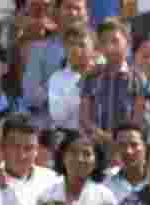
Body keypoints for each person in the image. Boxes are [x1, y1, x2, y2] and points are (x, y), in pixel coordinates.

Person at [79, 17, 145, 160]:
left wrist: (118, 138)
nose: (109, 47)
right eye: (104, 42)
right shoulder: (91, 77)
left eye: (115, 41)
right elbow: (84, 117)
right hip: (96, 145)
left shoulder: (137, 78)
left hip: (126, 148)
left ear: (127, 43)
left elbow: (138, 118)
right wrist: (100, 134)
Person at [22, 0, 90, 128]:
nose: (73, 13)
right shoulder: (39, 50)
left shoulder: (98, 54)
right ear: (56, 12)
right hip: (50, 129)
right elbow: (31, 97)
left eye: (78, 8)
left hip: (86, 130)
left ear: (87, 14)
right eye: (68, 8)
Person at [0, 114, 60, 205]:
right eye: (15, 147)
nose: (22, 155)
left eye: (29, 148)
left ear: (37, 149)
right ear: (2, 147)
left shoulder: (52, 181)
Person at [47, 23, 95, 136]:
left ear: (93, 47)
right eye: (71, 44)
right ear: (64, 48)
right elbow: (58, 117)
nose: (76, 49)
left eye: (82, 45)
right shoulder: (57, 78)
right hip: (71, 137)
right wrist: (79, 85)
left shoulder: (104, 73)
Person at [103, 123, 148, 205]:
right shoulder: (104, 181)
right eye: (122, 145)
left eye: (134, 145)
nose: (128, 151)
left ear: (145, 147)